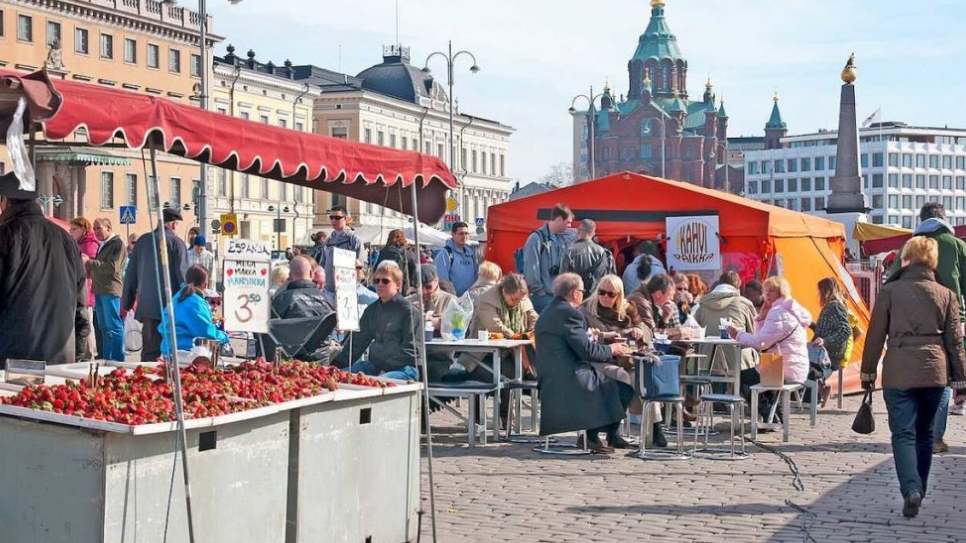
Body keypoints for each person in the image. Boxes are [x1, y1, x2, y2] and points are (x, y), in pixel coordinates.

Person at [861, 236, 966, 518]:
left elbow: (874, 336)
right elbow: (955, 342)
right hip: (935, 371)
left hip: (898, 370)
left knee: (903, 433)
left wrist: (868, 372)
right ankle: (920, 486)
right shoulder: (946, 294)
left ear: (907, 257)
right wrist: (961, 381)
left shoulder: (890, 291)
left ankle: (911, 489)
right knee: (925, 434)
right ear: (932, 261)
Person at [891, 203, 966, 455]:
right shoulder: (957, 246)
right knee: (943, 379)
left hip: (909, 324)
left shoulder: (908, 247)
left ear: (921, 220)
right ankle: (934, 436)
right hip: (948, 321)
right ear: (945, 219)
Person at [534, 273, 634, 453]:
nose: (583, 294)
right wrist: (613, 350)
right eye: (581, 290)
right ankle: (593, 436)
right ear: (574, 293)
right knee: (624, 386)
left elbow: (577, 343)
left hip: (552, 374)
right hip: (568, 376)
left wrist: (598, 337)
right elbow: (587, 351)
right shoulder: (570, 313)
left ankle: (602, 435)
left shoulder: (550, 310)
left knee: (614, 381)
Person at [0, 172, 85, 365]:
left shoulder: (5, 236)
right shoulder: (67, 239)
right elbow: (81, 305)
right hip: (61, 357)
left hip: (13, 358)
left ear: (5, 201)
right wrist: (79, 351)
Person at [581, 274, 667, 446]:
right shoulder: (586, 310)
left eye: (610, 294)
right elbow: (583, 339)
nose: (605, 297)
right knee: (622, 378)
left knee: (645, 378)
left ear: (619, 296)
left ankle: (656, 428)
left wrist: (638, 331)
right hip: (598, 360)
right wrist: (608, 338)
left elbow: (647, 331)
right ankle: (611, 431)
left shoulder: (628, 309)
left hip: (625, 359)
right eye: (602, 292)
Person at [728, 276, 812, 422]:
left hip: (783, 369)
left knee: (742, 377)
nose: (767, 295)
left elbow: (760, 343)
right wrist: (761, 318)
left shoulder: (778, 312)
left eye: (771, 291)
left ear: (781, 291)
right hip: (794, 366)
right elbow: (764, 338)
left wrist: (738, 335)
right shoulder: (791, 309)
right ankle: (776, 414)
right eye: (766, 291)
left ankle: (768, 415)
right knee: (757, 373)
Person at [460, 273, 538, 422]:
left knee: (512, 371)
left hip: (511, 353)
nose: (517, 303)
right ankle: (479, 418)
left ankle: (506, 416)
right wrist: (516, 336)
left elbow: (534, 317)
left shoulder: (521, 297)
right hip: (481, 356)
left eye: (520, 299)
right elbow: (495, 326)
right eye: (514, 299)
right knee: (502, 373)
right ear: (504, 291)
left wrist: (531, 331)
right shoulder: (486, 299)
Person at [122, 207, 189, 361]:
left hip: (147, 307)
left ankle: (145, 380)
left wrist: (127, 302)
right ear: (173, 224)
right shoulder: (176, 243)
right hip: (171, 307)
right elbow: (183, 277)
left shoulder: (142, 242)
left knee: (149, 353)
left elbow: (130, 275)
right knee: (171, 353)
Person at [335, 261, 419, 380]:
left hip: (403, 369)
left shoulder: (409, 311)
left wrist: (383, 367)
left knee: (379, 381)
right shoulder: (372, 310)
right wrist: (336, 366)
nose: (380, 284)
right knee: (339, 376)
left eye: (385, 281)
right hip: (374, 366)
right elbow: (357, 343)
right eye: (376, 281)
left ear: (398, 284)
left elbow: (412, 351)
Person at [694, 270, 758, 380]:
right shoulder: (744, 304)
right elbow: (754, 336)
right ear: (738, 286)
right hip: (739, 365)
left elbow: (694, 332)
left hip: (706, 363)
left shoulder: (702, 305)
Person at [159, 265, 228, 354]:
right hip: (187, 354)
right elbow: (206, 333)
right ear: (205, 284)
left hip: (166, 351)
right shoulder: (196, 302)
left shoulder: (176, 297)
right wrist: (224, 337)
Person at [523, 203, 575, 314]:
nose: (570, 226)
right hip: (542, 297)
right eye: (568, 222)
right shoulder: (536, 239)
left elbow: (576, 233)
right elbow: (531, 269)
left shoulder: (559, 238)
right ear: (560, 219)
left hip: (554, 296)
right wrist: (540, 292)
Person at [407, 265, 457, 379]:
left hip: (439, 357)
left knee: (432, 374)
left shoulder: (450, 300)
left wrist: (435, 322)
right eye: (420, 287)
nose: (424, 291)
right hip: (413, 357)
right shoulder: (409, 301)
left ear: (436, 281)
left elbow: (456, 328)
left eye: (428, 287)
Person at [87, 218, 126, 361]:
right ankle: (106, 358)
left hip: (110, 290)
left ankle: (116, 359)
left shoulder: (117, 243)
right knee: (104, 328)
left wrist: (90, 263)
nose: (96, 231)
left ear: (108, 228)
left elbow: (112, 268)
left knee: (113, 327)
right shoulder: (103, 244)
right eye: (94, 228)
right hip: (101, 289)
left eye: (99, 228)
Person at [811, 278, 854, 403]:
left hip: (831, 355)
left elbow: (846, 330)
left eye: (820, 291)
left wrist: (825, 341)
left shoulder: (834, 306)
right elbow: (825, 329)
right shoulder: (834, 306)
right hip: (829, 352)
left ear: (826, 291)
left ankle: (819, 390)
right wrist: (810, 324)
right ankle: (821, 389)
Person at [317, 206, 363, 302]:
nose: (334, 220)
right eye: (331, 218)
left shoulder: (354, 239)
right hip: (328, 289)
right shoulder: (328, 240)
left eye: (337, 218)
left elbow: (361, 264)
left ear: (345, 219)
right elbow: (322, 264)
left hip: (346, 289)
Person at [561, 219, 615, 298]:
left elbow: (563, 279)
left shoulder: (569, 251)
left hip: (575, 296)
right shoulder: (605, 253)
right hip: (596, 297)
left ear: (578, 231)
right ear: (593, 233)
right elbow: (611, 278)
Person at [69, 217, 99, 361]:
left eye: (74, 229)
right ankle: (86, 353)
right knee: (84, 323)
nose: (71, 232)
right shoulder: (78, 243)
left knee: (87, 323)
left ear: (83, 229)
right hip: (80, 288)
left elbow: (88, 265)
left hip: (86, 289)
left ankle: (90, 353)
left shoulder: (89, 244)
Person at [271, 255, 334, 319]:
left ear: (290, 275)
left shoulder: (281, 299)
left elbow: (271, 325)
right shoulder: (326, 300)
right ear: (311, 274)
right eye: (317, 283)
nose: (319, 286)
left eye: (322, 284)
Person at [435, 221, 478, 296]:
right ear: (453, 234)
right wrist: (453, 300)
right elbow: (443, 281)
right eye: (461, 233)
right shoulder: (445, 254)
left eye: (466, 233)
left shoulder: (471, 254)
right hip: (454, 301)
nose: (464, 236)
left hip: (470, 300)